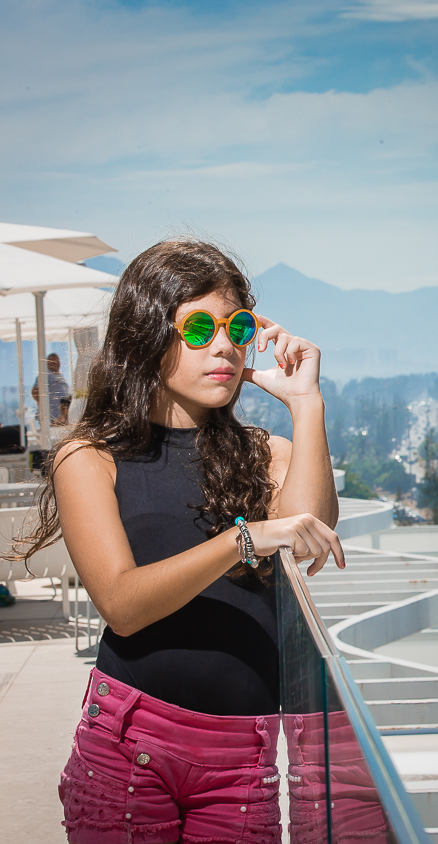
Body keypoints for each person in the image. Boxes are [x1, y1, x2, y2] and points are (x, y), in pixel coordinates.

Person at [11, 239, 344, 844]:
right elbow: (122, 604)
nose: (224, 346)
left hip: (243, 757)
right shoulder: (89, 457)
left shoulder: (268, 454)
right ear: (146, 335)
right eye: (198, 328)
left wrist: (306, 402)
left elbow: (306, 542)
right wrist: (242, 540)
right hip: (128, 746)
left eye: (238, 327)